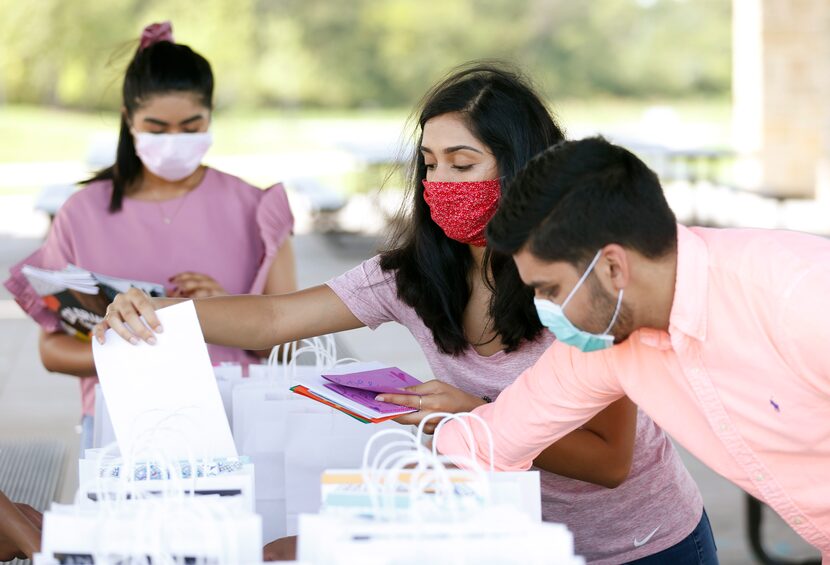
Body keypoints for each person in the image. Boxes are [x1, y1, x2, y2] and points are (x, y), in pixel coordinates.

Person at [97, 64, 715, 563]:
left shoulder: (577, 279)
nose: (439, 181)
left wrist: (477, 416)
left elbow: (609, 461)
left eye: (463, 163)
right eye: (429, 163)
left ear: (523, 166)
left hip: (641, 546)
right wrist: (161, 312)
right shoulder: (414, 273)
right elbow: (272, 322)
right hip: (511, 538)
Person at [430, 136, 830, 559]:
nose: (543, 309)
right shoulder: (604, 340)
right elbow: (496, 438)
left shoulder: (800, 295)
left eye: (550, 289)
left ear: (613, 267)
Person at [3, 22, 297, 450]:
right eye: (157, 129)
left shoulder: (257, 210)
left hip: (236, 421)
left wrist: (227, 314)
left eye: (192, 126)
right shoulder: (82, 214)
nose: (174, 141)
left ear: (211, 116)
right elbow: (53, 352)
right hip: (121, 428)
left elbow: (289, 350)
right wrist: (131, 350)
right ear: (129, 120)